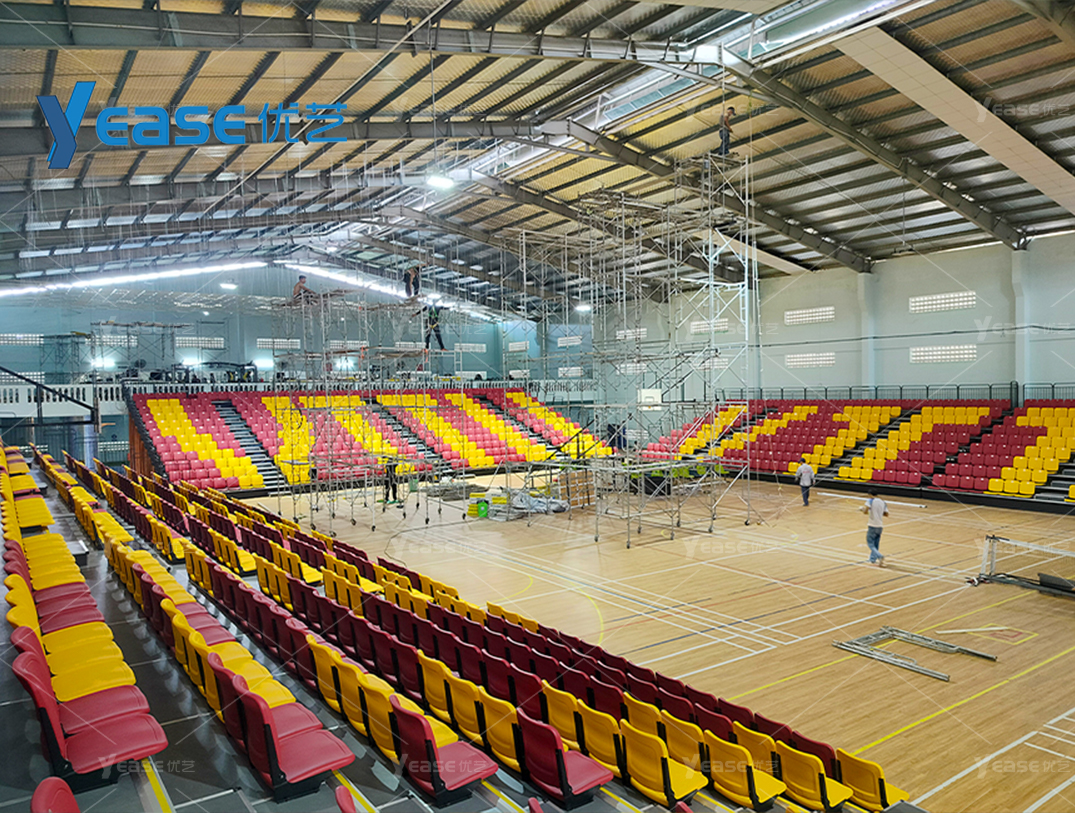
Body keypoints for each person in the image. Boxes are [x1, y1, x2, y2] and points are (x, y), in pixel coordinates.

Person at [861, 489, 889, 566]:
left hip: (872, 525)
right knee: (876, 544)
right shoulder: (883, 502)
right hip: (880, 526)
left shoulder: (870, 501)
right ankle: (872, 559)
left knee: (870, 543)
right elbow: (886, 514)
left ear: (870, 494)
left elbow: (865, 511)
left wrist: (862, 509)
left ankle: (880, 556)